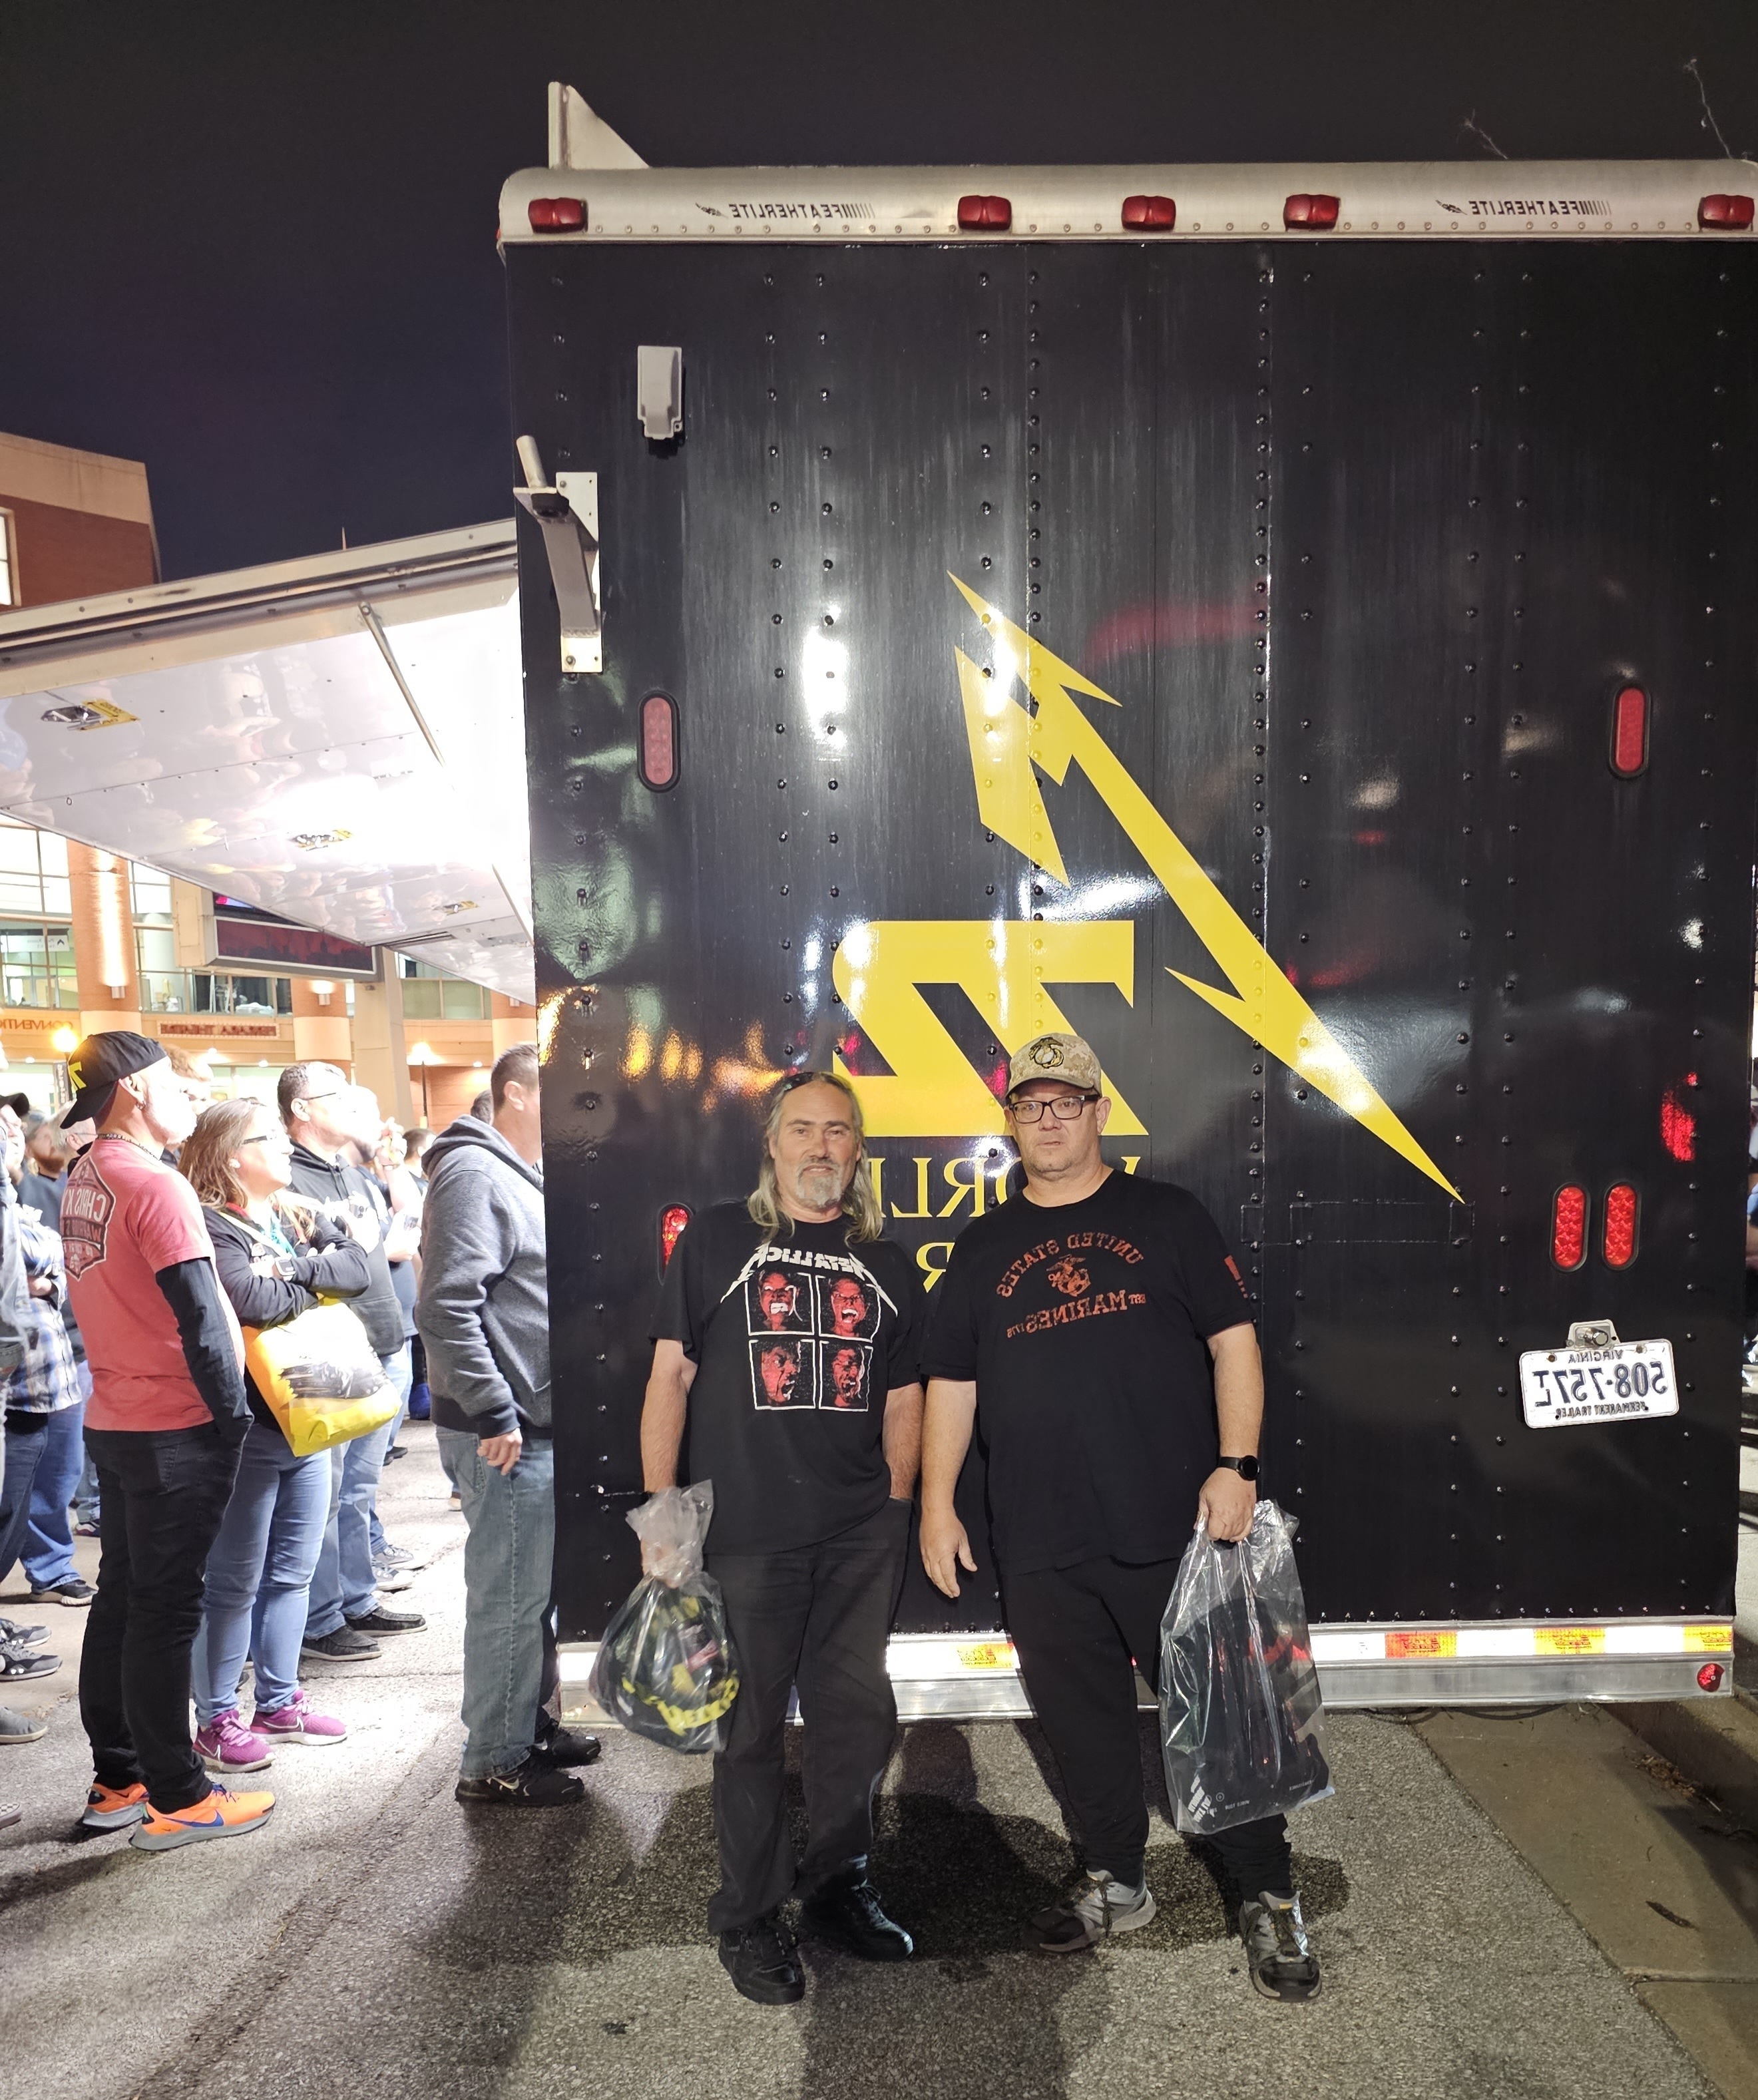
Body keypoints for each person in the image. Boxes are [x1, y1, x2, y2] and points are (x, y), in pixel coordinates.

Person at [919, 1031, 1321, 2000]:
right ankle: (1116, 1879)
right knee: (1082, 1722)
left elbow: (1234, 1344)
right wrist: (935, 1503)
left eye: (1066, 1102)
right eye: (1030, 1105)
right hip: (1038, 1537)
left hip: (1169, 1528)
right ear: (1011, 1121)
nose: (1048, 1119)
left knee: (1222, 1718)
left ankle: (1269, 1893)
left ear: (1100, 1111)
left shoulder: (1165, 1215)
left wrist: (1237, 1465)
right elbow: (952, 1385)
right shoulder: (982, 1245)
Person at [642, 1070, 924, 2007]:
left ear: (857, 1148)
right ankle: (750, 1911)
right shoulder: (718, 1238)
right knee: (751, 1729)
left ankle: (839, 1881)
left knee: (856, 1717)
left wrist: (896, 1504)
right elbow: (670, 1376)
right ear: (772, 1143)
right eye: (801, 1128)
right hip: (747, 1534)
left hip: (858, 1534)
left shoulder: (887, 1262)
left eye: (837, 1130)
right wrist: (663, 1509)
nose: (820, 1146)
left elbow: (906, 1394)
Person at [57, 1031, 272, 1850]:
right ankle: (179, 1794)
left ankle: (120, 1775)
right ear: (139, 1089)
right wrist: (232, 1418)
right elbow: (203, 1316)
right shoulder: (154, 1182)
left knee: (123, 1597)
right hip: (174, 1423)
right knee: (164, 1608)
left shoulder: (88, 1173)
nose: (192, 1098)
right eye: (181, 1086)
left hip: (116, 1417)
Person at [421, 1043, 598, 1805]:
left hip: (523, 1422)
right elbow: (445, 1306)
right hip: (504, 1430)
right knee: (511, 1597)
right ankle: (494, 1759)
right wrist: (494, 1407)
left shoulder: (513, 1172)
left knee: (532, 1596)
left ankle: (525, 1724)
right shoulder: (473, 1173)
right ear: (518, 1094)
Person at [182, 1099, 370, 1771]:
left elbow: (359, 1269)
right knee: (234, 1581)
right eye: (270, 1138)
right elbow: (246, 1298)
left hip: (309, 1418)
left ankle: (279, 1700)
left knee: (293, 1572)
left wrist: (293, 1272)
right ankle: (216, 1719)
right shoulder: (213, 1223)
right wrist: (313, 1287)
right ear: (234, 1154)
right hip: (251, 1428)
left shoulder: (293, 1213)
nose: (287, 1148)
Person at [279, 1064, 424, 1661]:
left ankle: (356, 1597)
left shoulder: (351, 1172)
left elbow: (388, 1243)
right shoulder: (288, 1176)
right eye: (334, 1096)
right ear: (302, 1109)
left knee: (359, 1489)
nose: (350, 1105)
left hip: (383, 1341)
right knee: (329, 1493)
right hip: (335, 1352)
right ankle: (321, 1618)